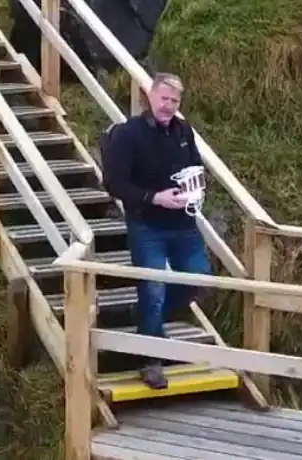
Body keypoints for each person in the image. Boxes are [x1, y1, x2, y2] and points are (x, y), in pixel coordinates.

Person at [100, 72, 210, 390]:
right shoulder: (128, 134)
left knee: (199, 279)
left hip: (184, 225)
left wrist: (198, 191)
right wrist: (154, 198)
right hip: (147, 224)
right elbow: (114, 183)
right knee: (152, 288)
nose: (169, 106)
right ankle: (150, 360)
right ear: (150, 96)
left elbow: (197, 167)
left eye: (175, 101)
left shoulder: (183, 130)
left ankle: (149, 319)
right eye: (164, 98)